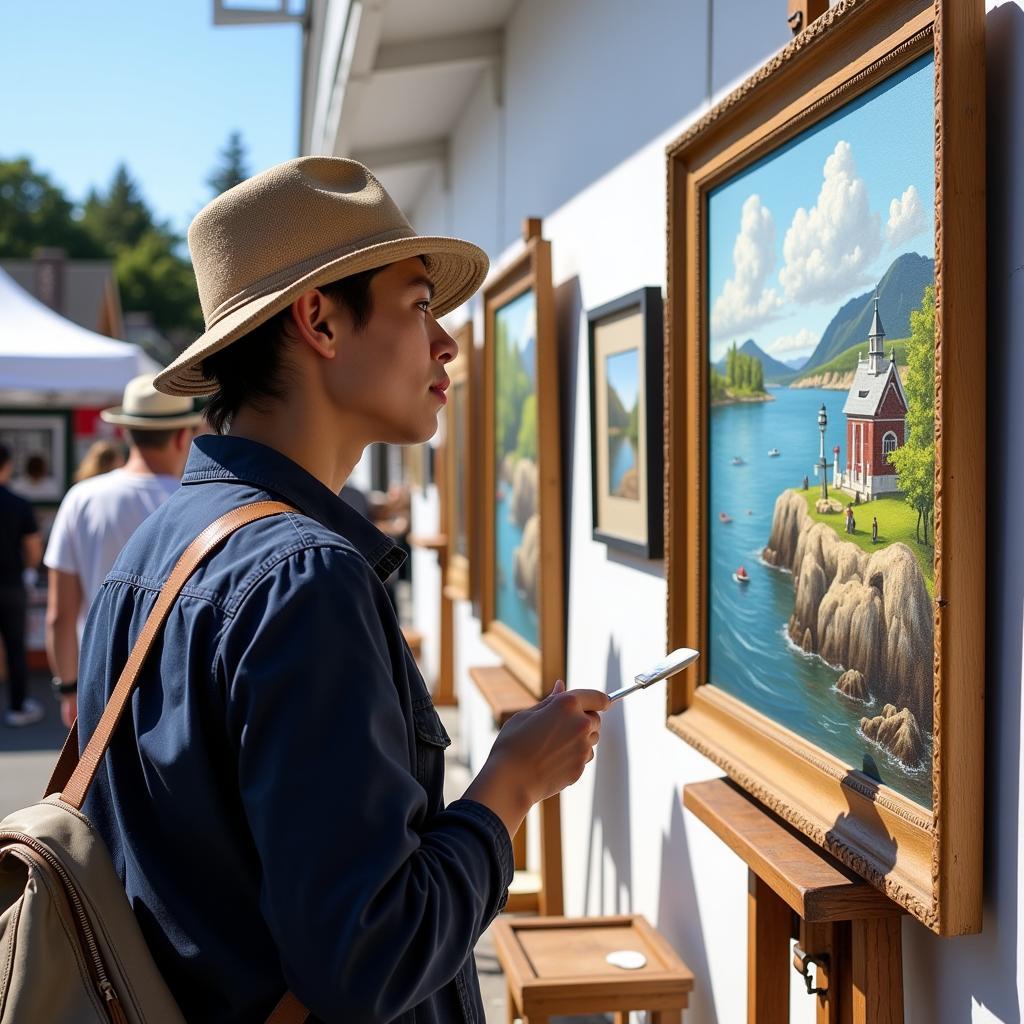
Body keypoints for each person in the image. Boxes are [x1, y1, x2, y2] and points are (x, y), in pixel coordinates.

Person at [75, 157, 608, 1024]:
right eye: (418, 304)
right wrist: (510, 785)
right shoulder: (304, 580)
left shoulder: (148, 556)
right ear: (319, 320)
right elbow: (371, 960)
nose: (447, 344)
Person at [44, 375, 202, 727]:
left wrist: (68, 688)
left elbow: (60, 613)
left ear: (127, 432)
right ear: (182, 436)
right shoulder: (199, 503)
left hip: (97, 677)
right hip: (176, 687)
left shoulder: (81, 498)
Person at [0, 443, 44, 727]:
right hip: (10, 584)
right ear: (6, 466)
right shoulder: (19, 503)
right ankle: (17, 707)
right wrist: (28, 570)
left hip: (11, 583)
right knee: (16, 647)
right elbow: (33, 547)